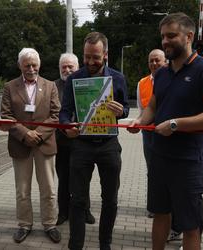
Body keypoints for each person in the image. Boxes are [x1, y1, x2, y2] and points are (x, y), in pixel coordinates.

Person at [128, 13, 203, 250]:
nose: (165, 41)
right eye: (163, 36)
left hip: (188, 162)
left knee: (190, 225)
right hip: (159, 157)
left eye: (171, 35)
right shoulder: (162, 72)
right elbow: (153, 105)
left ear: (189, 36)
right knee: (160, 214)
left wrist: (175, 124)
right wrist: (139, 120)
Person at [60, 32, 129, 250]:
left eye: (96, 57)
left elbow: (126, 108)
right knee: (78, 199)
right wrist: (67, 126)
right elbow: (65, 112)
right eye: (87, 56)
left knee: (110, 199)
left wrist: (121, 111)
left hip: (109, 145)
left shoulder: (117, 78)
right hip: (81, 145)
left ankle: (105, 243)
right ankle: (75, 245)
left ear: (105, 54)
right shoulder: (74, 79)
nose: (90, 62)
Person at [0, 48, 61, 244]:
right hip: (21, 145)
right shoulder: (10, 87)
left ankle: (50, 224)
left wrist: (39, 134)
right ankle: (24, 224)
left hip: (45, 144)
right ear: (20, 66)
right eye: (27, 65)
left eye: (34, 65)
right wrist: (26, 134)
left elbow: (55, 114)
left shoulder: (50, 85)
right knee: (22, 190)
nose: (31, 69)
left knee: (49, 188)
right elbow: (6, 115)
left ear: (39, 65)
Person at [137, 49, 182, 242]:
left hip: (172, 136)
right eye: (151, 61)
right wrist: (139, 123)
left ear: (165, 62)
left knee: (175, 181)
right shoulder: (142, 83)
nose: (154, 63)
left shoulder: (174, 79)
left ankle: (177, 226)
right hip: (150, 135)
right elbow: (143, 108)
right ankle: (155, 208)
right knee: (153, 172)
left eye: (158, 60)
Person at [55, 52, 95, 226]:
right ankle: (63, 212)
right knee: (63, 179)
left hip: (84, 141)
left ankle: (85, 210)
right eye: (64, 66)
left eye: (71, 66)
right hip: (62, 141)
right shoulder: (53, 87)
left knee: (83, 179)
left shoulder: (87, 83)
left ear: (78, 67)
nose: (67, 69)